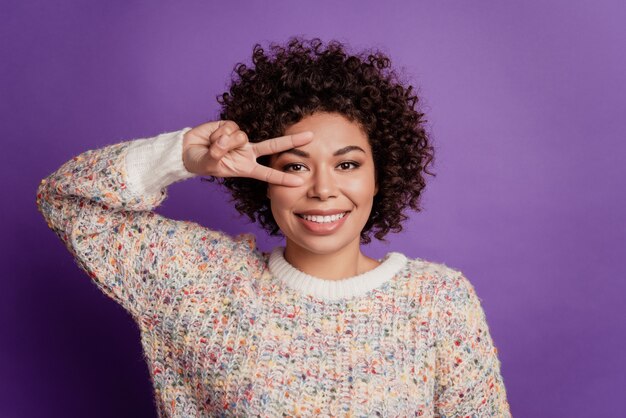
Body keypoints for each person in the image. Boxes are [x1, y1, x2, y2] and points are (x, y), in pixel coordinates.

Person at [37, 37, 512, 417]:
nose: (323, 189)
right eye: (295, 166)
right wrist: (181, 157)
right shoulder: (201, 283)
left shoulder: (438, 301)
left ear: (379, 178)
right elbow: (68, 200)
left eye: (347, 165)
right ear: (262, 180)